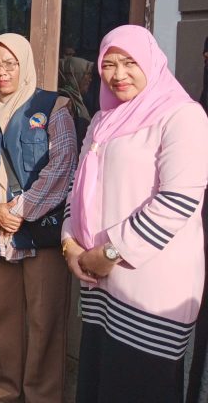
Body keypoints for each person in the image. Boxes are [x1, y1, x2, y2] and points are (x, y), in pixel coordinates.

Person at [62, 25, 208, 402]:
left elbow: (178, 201)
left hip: (150, 291)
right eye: (109, 64)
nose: (118, 74)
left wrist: (111, 252)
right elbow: (79, 188)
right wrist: (69, 244)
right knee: (100, 386)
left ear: (152, 63)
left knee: (139, 388)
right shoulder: (103, 120)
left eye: (130, 63)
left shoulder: (182, 117)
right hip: (99, 284)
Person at [0, 33, 78, 403]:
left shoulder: (53, 108)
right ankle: (7, 391)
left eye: (9, 64)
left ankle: (42, 396)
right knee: (3, 319)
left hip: (40, 233)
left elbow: (62, 165)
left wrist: (19, 211)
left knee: (45, 322)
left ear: (24, 65)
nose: (1, 72)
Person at [59, 54, 94, 148]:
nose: (90, 79)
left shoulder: (78, 99)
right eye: (86, 74)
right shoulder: (65, 100)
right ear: (75, 75)